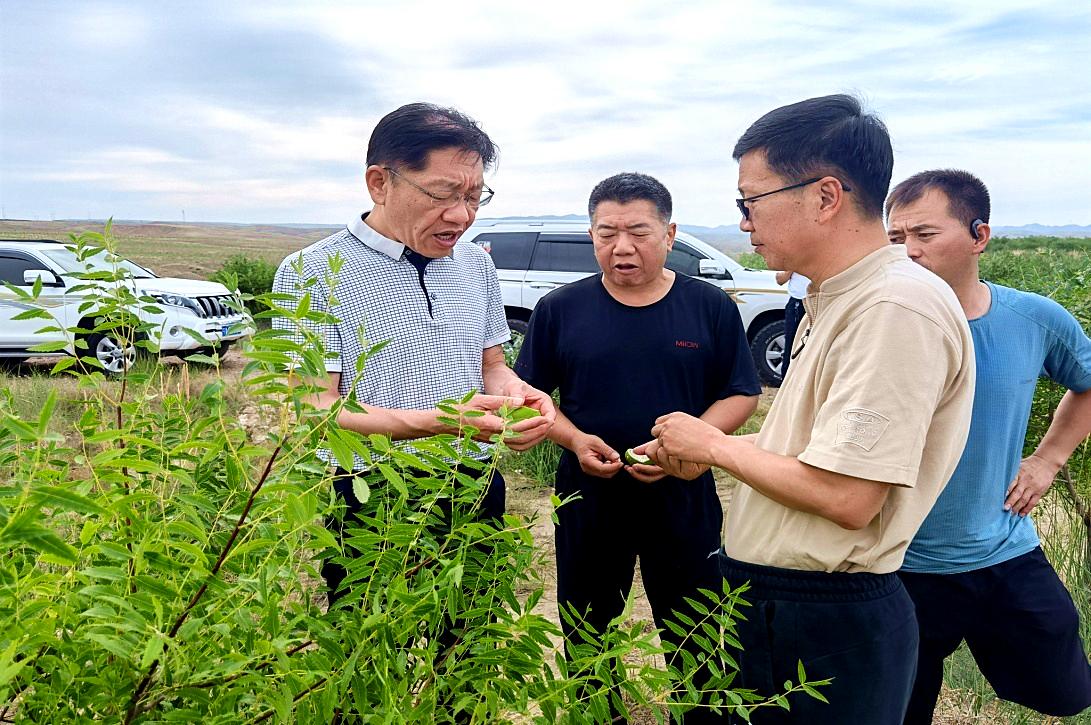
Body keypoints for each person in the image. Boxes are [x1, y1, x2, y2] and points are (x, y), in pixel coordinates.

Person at [643, 95, 976, 724]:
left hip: (821, 619)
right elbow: (816, 452)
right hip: (779, 604)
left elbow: (848, 495)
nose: (744, 223)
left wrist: (714, 446)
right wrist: (713, 458)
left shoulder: (891, 309)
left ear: (825, 196)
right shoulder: (838, 297)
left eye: (751, 201)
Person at [270, 102, 556, 607]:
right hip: (370, 490)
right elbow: (312, 409)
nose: (462, 215)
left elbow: (491, 366)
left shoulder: (474, 264)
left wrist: (519, 395)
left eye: (474, 197)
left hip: (472, 482)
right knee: (368, 646)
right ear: (379, 183)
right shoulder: (311, 272)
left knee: (469, 645)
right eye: (444, 194)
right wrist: (437, 421)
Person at [514, 172, 761, 722]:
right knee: (585, 624)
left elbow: (742, 392)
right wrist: (576, 441)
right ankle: (599, 714)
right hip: (587, 492)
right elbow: (530, 397)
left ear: (670, 234)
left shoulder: (709, 307)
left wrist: (687, 449)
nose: (622, 247)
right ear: (592, 235)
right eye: (606, 233)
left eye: (639, 232)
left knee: (694, 624)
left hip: (682, 491)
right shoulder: (561, 309)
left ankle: (699, 713)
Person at [886, 169, 1091, 723]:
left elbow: (1087, 382)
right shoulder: (877, 326)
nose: (907, 252)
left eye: (923, 236)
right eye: (895, 239)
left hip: (1001, 547)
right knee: (900, 707)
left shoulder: (1033, 319)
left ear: (980, 236)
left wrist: (1049, 458)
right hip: (896, 564)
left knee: (1065, 691)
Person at [773, 270, 809, 379]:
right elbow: (780, 279)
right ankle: (787, 382)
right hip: (798, 302)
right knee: (792, 345)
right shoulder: (794, 259)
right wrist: (793, 267)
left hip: (819, 300)